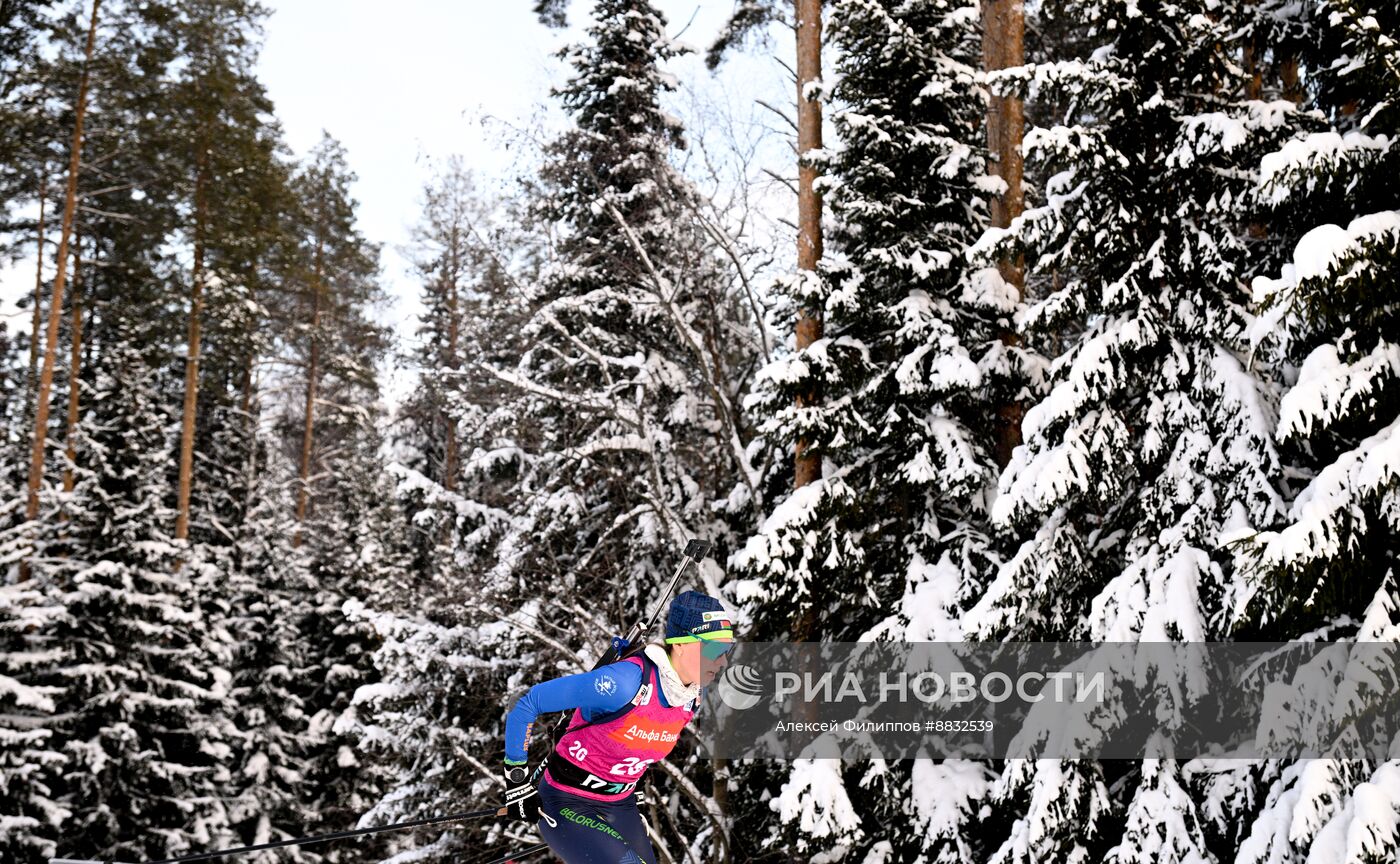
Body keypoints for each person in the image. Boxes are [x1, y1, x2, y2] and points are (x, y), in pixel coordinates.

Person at [500, 590, 736, 864]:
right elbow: (528, 704)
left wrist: (633, 787)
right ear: (681, 645)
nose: (723, 661)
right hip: (567, 800)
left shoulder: (691, 697)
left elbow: (639, 742)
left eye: (727, 649)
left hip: (619, 804)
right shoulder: (624, 683)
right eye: (715, 649)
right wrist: (517, 781)